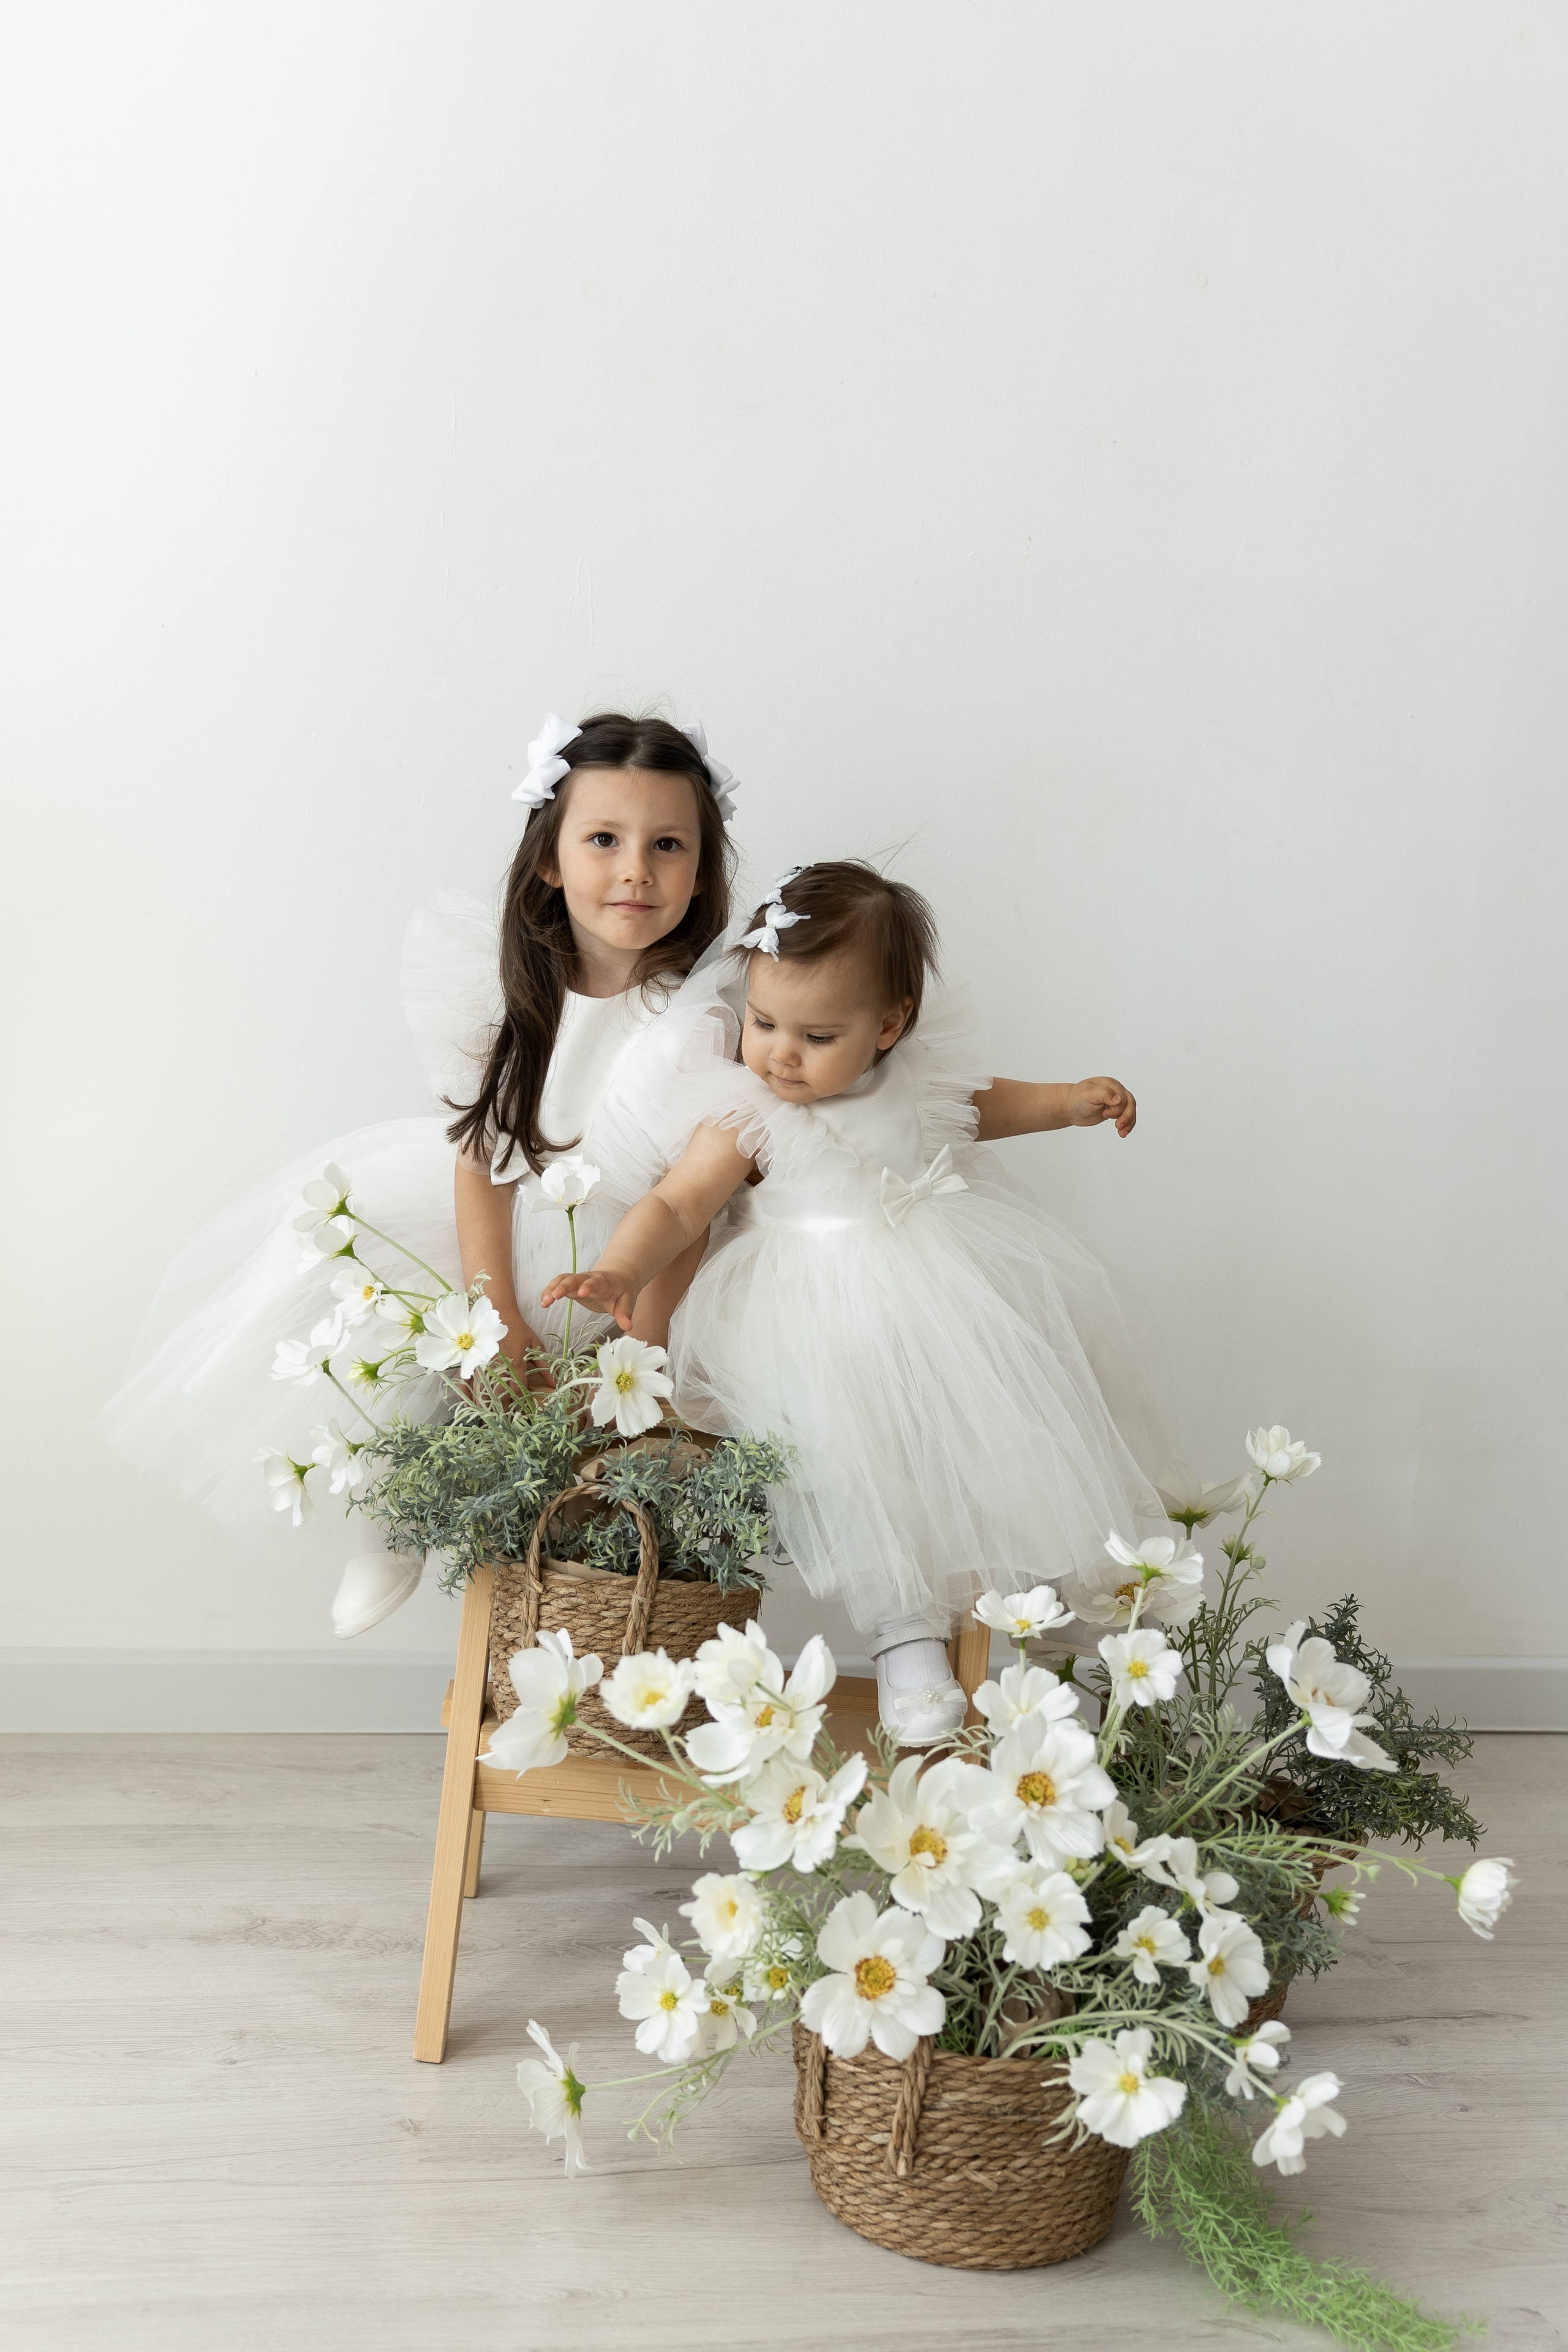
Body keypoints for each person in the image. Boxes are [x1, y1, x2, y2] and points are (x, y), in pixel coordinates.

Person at [99, 711, 739, 1635]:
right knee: (376, 1278)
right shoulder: (509, 996)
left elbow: (694, 1205)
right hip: (511, 1240)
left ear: (701, 872)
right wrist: (493, 1311)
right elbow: (480, 1162)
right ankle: (390, 1514)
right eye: (605, 839)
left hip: (635, 1264)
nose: (636, 869)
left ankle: (595, 1591)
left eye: (667, 845)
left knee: (635, 1429)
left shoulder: (704, 1017)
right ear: (552, 860)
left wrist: (644, 1340)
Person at [543, 859, 1168, 1744]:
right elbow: (679, 1204)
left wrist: (1071, 1102)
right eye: (763, 1023)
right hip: (806, 1319)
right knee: (856, 1470)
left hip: (938, 1293)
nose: (780, 1054)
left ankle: (1039, 1635)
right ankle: (905, 1637)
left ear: (888, 1025)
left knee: (986, 1441)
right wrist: (619, 1269)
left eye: (816, 1035)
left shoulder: (918, 1082)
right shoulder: (747, 1111)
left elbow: (989, 1106)